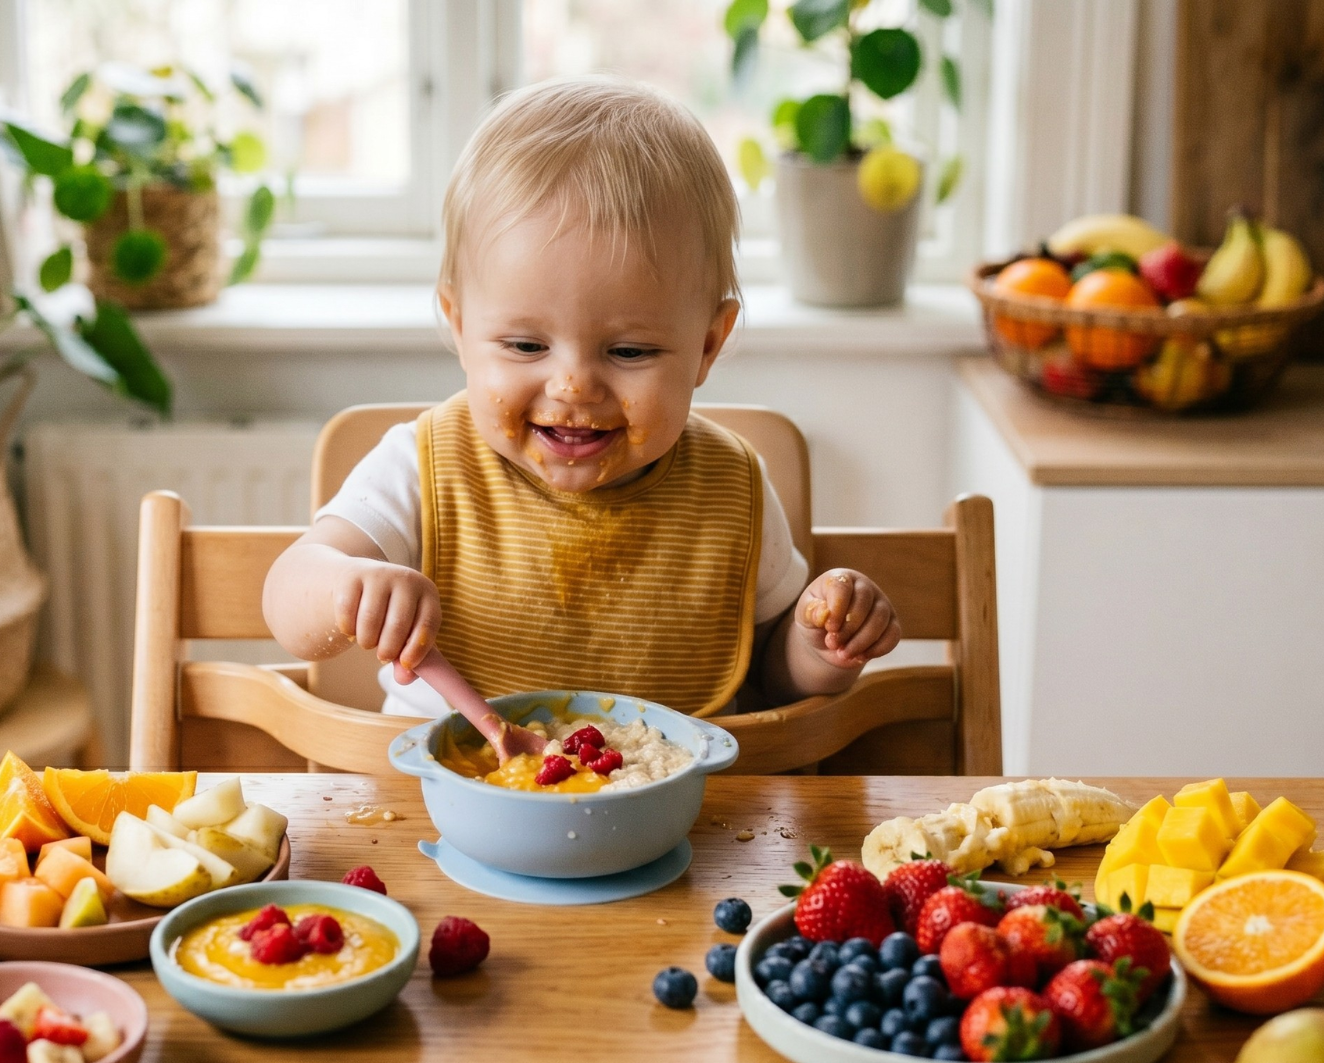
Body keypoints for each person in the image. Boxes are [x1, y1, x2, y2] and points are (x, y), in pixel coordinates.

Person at [263, 77, 900, 719]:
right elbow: (289, 596)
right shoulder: (418, 471)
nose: (573, 386)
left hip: (691, 817)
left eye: (628, 352)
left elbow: (768, 675)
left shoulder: (730, 486)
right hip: (442, 813)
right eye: (523, 346)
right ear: (459, 327)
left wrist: (820, 647)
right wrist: (345, 586)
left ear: (708, 345)